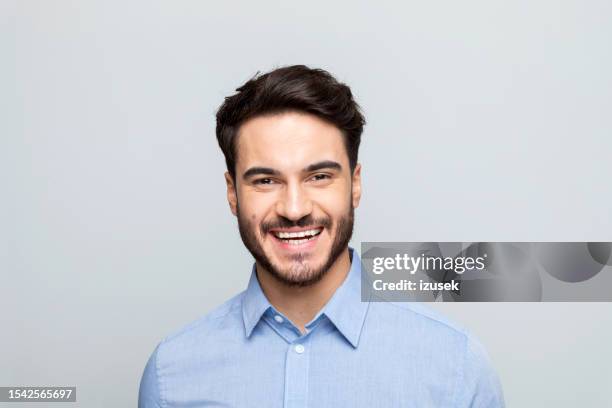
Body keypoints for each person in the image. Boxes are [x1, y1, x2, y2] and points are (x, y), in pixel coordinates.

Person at [138, 65, 505, 407]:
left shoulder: (455, 365)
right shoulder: (171, 375)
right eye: (266, 180)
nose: (294, 209)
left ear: (355, 183)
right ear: (233, 192)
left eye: (319, 177)